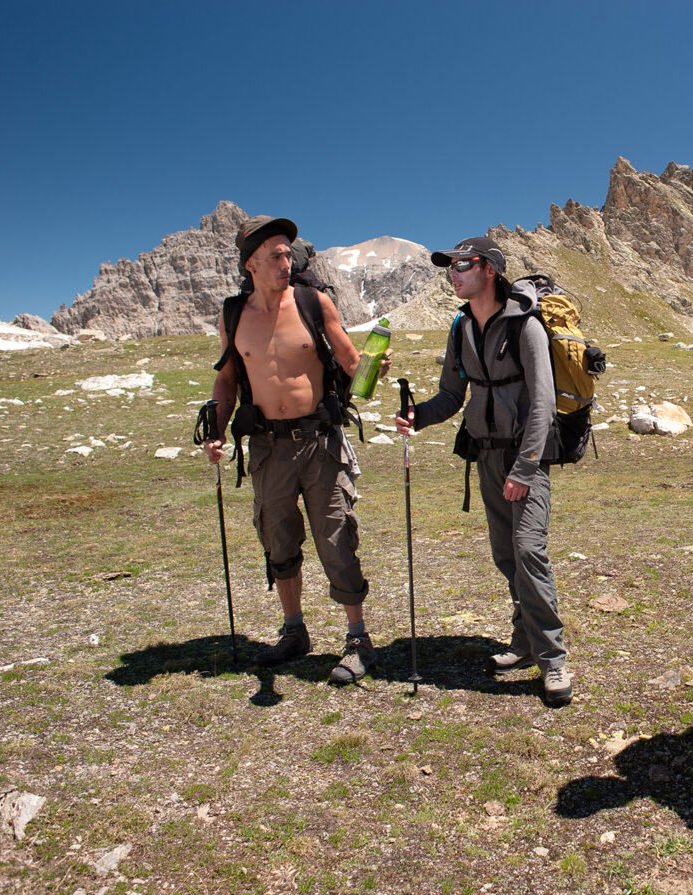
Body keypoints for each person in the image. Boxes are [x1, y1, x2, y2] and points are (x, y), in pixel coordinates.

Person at [203, 215, 386, 684]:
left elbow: (349, 361)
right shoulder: (233, 316)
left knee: (336, 536)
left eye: (289, 254)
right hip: (267, 447)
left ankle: (357, 639)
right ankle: (294, 631)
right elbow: (227, 379)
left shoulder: (312, 301)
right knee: (278, 538)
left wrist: (371, 368)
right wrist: (217, 428)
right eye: (275, 256)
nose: (287, 262)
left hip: (320, 443)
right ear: (251, 265)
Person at [393, 236, 573, 707]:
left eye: (462, 265)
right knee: (505, 557)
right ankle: (525, 642)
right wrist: (418, 415)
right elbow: (452, 396)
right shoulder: (461, 328)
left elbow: (543, 403)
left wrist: (527, 467)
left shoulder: (525, 326)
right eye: (449, 267)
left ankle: (553, 659)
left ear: (489, 269)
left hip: (523, 458)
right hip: (486, 456)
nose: (453, 274)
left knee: (529, 551)